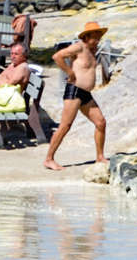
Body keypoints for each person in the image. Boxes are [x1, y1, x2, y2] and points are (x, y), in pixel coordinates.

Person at [43, 22, 110, 171]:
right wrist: (69, 72)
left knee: (101, 123)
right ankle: (49, 159)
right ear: (87, 36)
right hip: (74, 90)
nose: (98, 40)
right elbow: (57, 56)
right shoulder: (79, 47)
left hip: (86, 94)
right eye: (95, 37)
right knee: (65, 126)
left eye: (99, 37)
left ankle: (100, 157)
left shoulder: (93, 50)